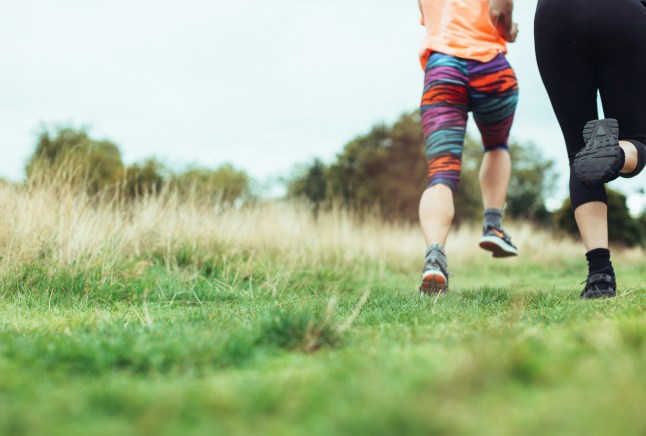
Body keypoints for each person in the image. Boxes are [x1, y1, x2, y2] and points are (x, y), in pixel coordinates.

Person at [535, 0, 646, 299]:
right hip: (623, 13)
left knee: (579, 152)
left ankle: (600, 275)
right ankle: (617, 154)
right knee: (638, 137)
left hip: (555, 16)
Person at [417, 0, 520, 294]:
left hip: (442, 68)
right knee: (496, 145)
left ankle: (434, 257)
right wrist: (509, 30)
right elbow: (500, 12)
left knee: (441, 174)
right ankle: (493, 225)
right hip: (492, 68)